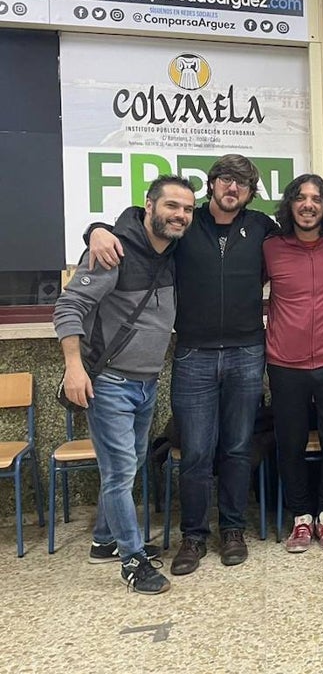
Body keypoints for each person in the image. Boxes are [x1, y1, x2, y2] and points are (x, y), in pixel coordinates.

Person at [87, 156, 323, 575]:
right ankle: (193, 535)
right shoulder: (185, 225)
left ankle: (232, 529)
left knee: (238, 448)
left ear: (250, 192)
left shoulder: (262, 228)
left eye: (243, 184)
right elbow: (137, 220)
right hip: (194, 355)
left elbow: (310, 238)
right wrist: (95, 229)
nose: (233, 188)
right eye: (226, 180)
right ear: (211, 184)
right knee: (195, 453)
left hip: (247, 353)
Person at [54, 175, 195, 594]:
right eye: (171, 206)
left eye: (187, 209)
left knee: (128, 465)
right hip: (110, 381)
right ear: (148, 206)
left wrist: (94, 225)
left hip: (146, 381)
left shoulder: (172, 251)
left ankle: (104, 540)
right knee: (118, 473)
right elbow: (69, 305)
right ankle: (133, 561)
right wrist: (74, 367)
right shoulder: (111, 250)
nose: (180, 215)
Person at [263, 175, 323, 554]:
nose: (308, 204)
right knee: (290, 442)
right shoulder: (271, 247)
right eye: (300, 198)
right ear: (290, 204)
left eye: (316, 199)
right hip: (285, 363)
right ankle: (301, 517)